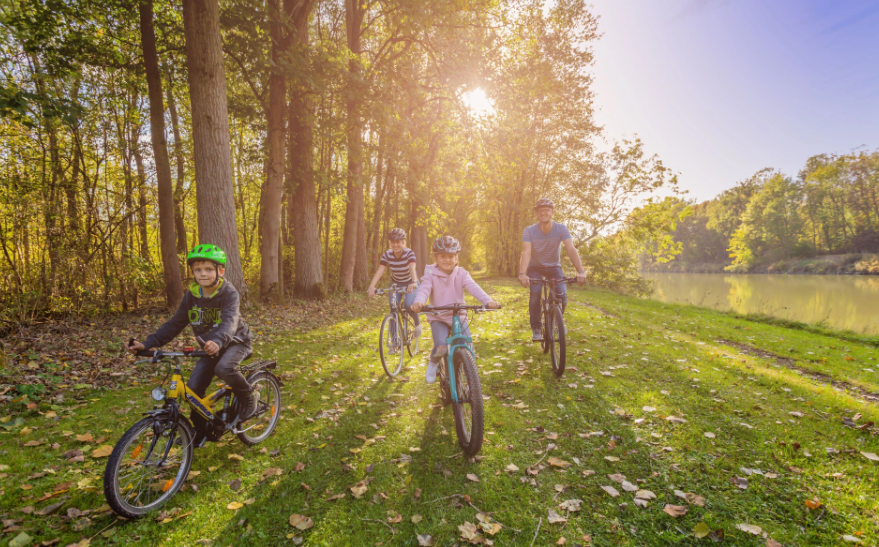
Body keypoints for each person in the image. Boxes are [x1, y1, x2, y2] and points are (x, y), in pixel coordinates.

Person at [128, 244, 254, 445]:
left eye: (208, 269)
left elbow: (230, 321)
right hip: (209, 348)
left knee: (224, 368)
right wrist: (147, 344)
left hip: (235, 342)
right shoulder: (192, 296)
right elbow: (174, 324)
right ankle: (200, 431)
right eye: (197, 270)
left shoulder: (229, 293)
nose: (202, 274)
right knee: (193, 390)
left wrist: (219, 341)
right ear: (192, 272)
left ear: (220, 271)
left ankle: (247, 396)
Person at [411, 236, 499, 384]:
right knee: (441, 345)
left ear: (456, 258)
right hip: (438, 317)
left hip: (459, 316)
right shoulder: (430, 274)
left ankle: (468, 372)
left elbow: (473, 287)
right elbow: (424, 290)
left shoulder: (462, 273)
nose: (447, 260)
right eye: (443, 256)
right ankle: (433, 363)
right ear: (435, 257)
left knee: (466, 345)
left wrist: (488, 301)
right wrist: (419, 302)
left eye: (451, 256)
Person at [517, 198, 587, 342]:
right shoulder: (529, 231)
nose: (543, 213)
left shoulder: (561, 229)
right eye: (540, 210)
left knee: (562, 295)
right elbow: (526, 252)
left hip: (554, 267)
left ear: (552, 213)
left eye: (547, 210)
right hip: (535, 267)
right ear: (537, 213)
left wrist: (581, 271)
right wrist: (523, 273)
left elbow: (570, 249)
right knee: (535, 294)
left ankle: (556, 320)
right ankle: (536, 327)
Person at [367, 228, 422, 349]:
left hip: (410, 282)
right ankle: (395, 341)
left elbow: (412, 268)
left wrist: (414, 282)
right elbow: (380, 270)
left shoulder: (409, 253)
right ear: (390, 243)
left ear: (403, 242)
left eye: (398, 242)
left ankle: (417, 323)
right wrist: (372, 286)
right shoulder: (387, 254)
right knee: (393, 309)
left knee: (408, 304)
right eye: (393, 242)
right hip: (396, 284)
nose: (395, 244)